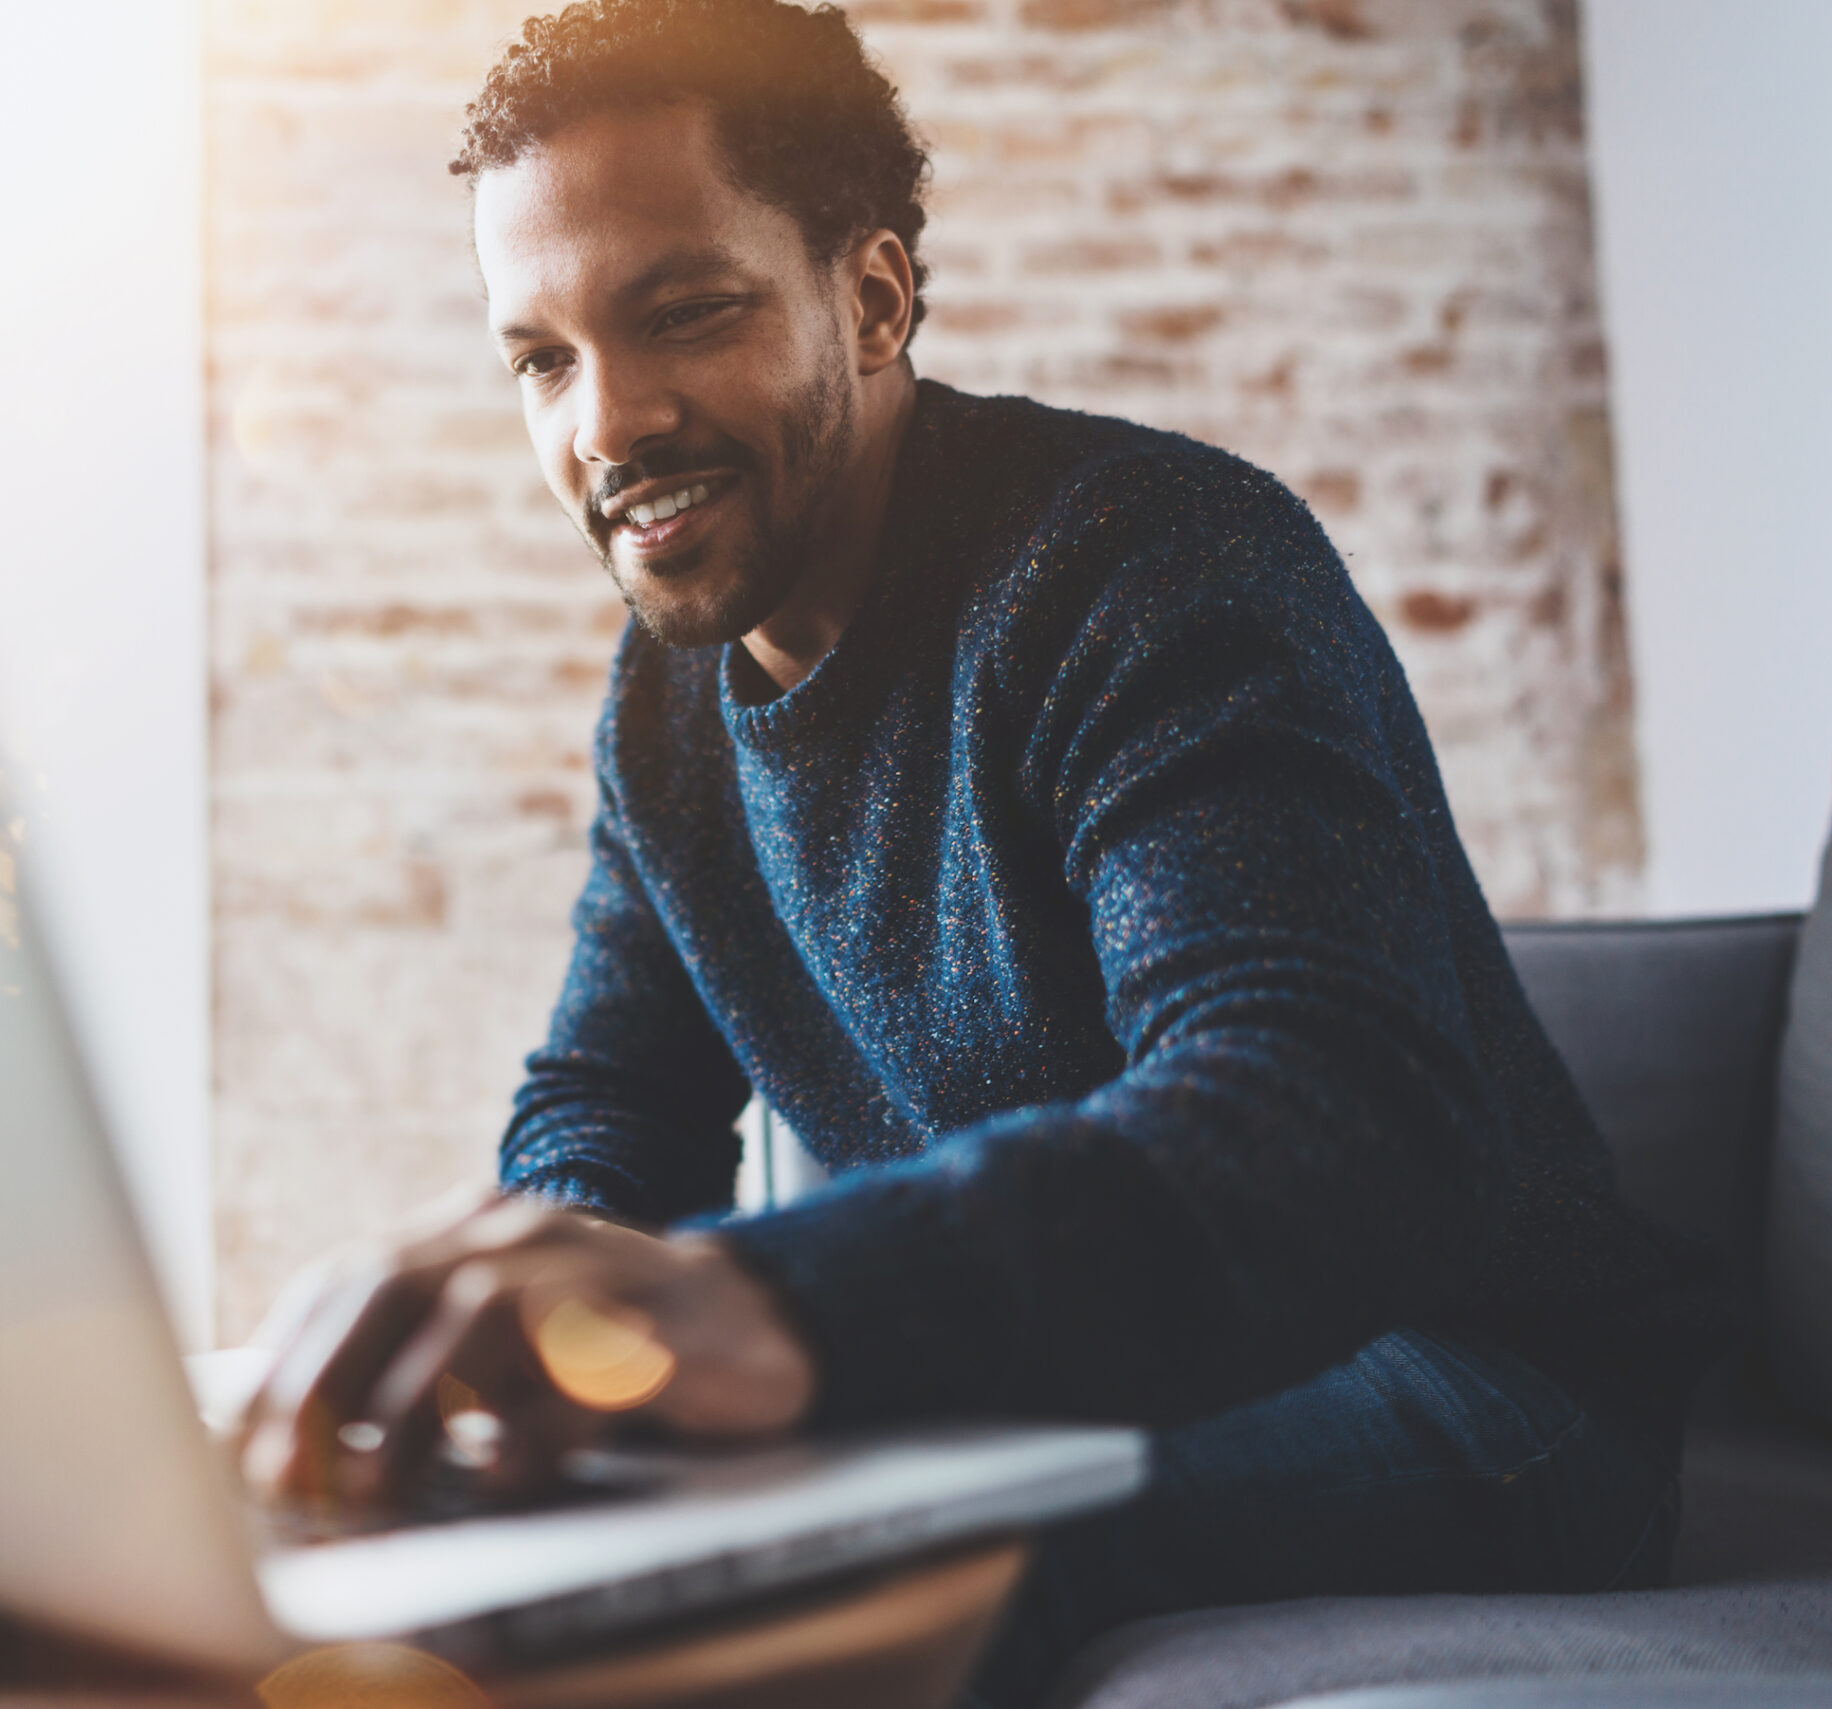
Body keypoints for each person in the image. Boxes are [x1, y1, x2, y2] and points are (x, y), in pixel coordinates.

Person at [236, 1, 1735, 1700]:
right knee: (458, 1548)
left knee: (862, 1539)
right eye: (542, 358)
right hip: (1086, 1371)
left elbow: (1319, 1123)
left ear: (870, 300)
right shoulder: (668, 708)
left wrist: (761, 1306)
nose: (606, 422)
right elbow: (611, 1105)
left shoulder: (1149, 564)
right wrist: (523, 1338)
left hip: (1487, 1388)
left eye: (687, 314)